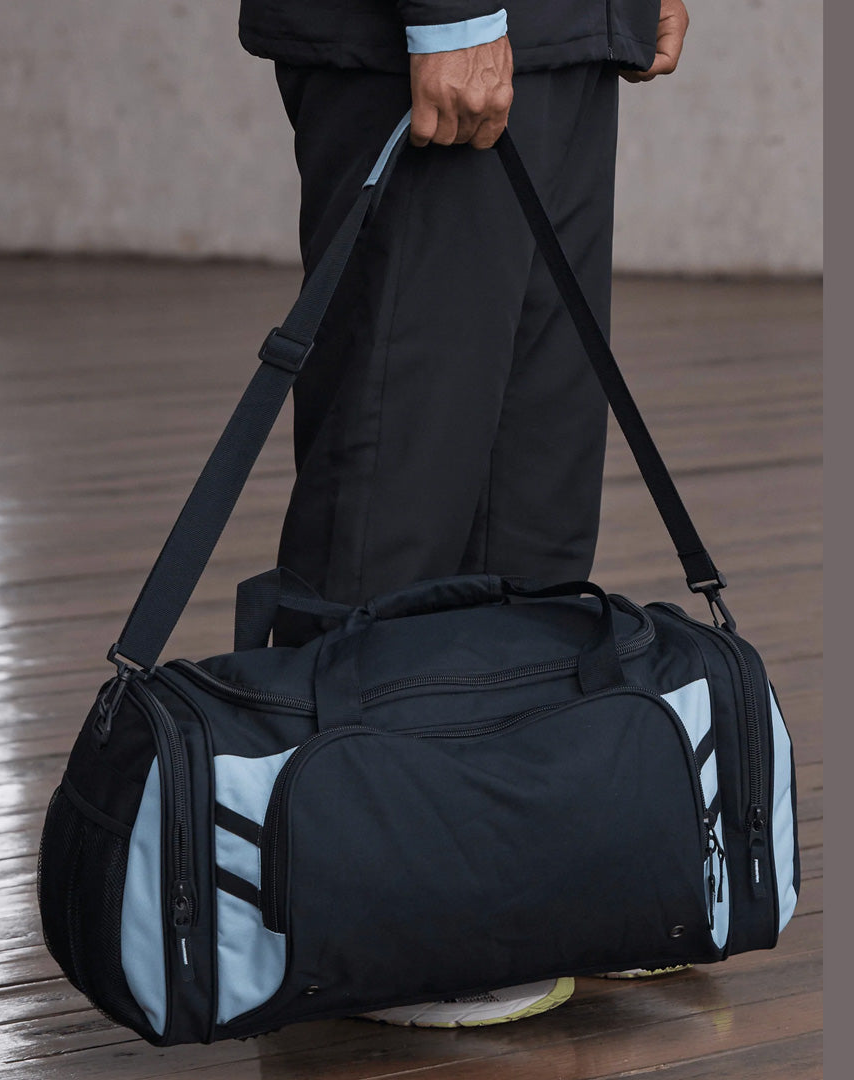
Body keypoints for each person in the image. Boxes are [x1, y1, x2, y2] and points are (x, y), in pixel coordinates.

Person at [238, 0, 690, 1027]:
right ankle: (361, 904)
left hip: (561, 29)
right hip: (434, 31)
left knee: (539, 478)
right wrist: (450, 13)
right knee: (401, 465)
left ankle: (508, 884)